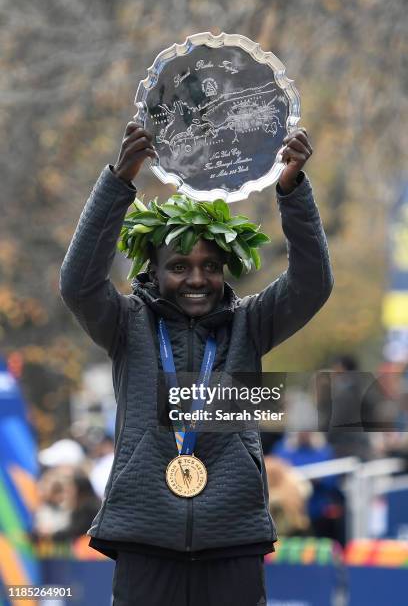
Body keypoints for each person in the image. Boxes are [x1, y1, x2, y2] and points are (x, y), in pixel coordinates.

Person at [60, 121, 333, 606]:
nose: (197, 279)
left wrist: (292, 191)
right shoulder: (126, 324)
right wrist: (119, 180)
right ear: (154, 270)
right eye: (179, 266)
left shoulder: (251, 324)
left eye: (210, 266)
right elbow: (78, 283)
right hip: (145, 536)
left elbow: (312, 285)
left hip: (232, 539)